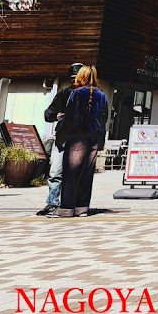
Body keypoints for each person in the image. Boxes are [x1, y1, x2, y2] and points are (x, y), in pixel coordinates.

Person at [54, 65, 110, 218]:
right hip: (93, 138)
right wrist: (101, 141)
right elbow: (104, 118)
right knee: (87, 173)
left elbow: (69, 117)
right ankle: (82, 208)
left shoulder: (76, 93)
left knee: (71, 173)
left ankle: (66, 208)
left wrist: (61, 136)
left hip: (77, 137)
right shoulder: (102, 95)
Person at [38, 62, 83, 216]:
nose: (74, 80)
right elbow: (48, 113)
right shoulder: (64, 93)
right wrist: (55, 116)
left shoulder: (91, 95)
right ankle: (52, 203)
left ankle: (72, 204)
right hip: (62, 138)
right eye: (72, 77)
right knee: (55, 171)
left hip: (80, 140)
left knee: (75, 174)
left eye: (77, 77)